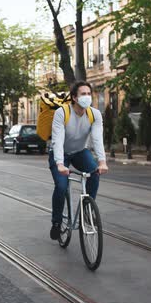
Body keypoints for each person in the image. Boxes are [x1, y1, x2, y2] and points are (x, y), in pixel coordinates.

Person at [48, 81, 109, 240]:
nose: (87, 97)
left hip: (80, 152)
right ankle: (56, 222)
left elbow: (97, 139)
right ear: (74, 97)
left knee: (94, 172)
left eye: (89, 94)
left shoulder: (94, 114)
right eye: (83, 94)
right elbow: (58, 139)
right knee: (61, 186)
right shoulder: (62, 113)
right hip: (59, 153)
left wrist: (102, 161)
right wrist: (60, 164)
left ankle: (87, 210)